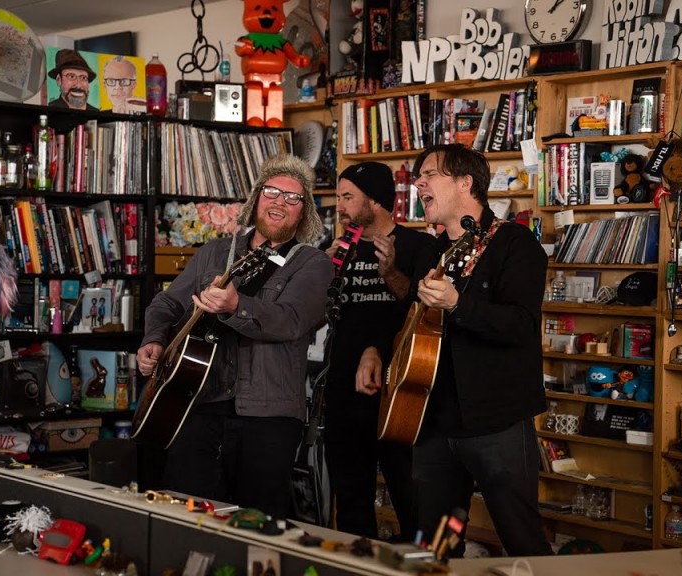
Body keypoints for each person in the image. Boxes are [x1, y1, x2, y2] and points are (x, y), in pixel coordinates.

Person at [356, 143, 553, 557]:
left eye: (430, 174)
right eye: (418, 176)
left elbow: (521, 325)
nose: (419, 182)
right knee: (436, 544)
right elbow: (411, 317)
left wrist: (459, 304)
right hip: (431, 417)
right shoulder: (432, 249)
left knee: (520, 537)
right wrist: (374, 349)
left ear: (466, 183)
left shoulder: (515, 246)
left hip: (494, 420)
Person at [137, 153, 333, 521]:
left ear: (304, 213)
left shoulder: (313, 264)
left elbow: (289, 320)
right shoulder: (215, 252)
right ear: (256, 198)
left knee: (257, 524)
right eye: (273, 192)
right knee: (188, 517)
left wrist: (234, 305)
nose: (281, 202)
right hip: (197, 404)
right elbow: (167, 303)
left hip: (267, 418)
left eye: (294, 198)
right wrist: (154, 340)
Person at [322, 162, 434, 542]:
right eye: (339, 197)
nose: (340, 206)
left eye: (347, 197)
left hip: (399, 387)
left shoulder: (420, 246)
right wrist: (323, 272)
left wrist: (390, 273)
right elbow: (324, 312)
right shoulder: (341, 249)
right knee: (351, 495)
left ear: (375, 201)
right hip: (343, 385)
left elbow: (422, 312)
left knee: (410, 491)